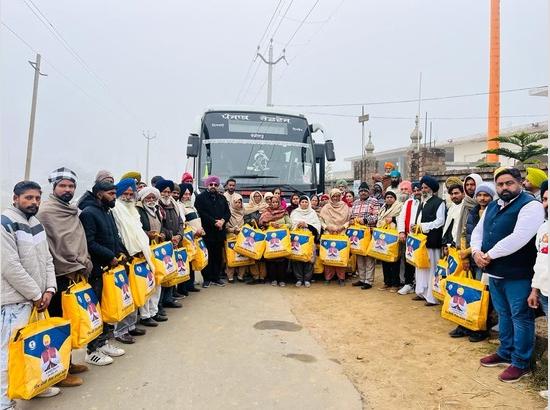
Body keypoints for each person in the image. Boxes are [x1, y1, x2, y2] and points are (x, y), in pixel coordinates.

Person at [472, 167, 544, 383]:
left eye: (509, 183)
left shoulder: (531, 206)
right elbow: (478, 231)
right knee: (503, 314)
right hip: (495, 272)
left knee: (520, 317)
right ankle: (505, 352)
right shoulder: (493, 205)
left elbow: (520, 237)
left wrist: (489, 255)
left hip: (518, 274)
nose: (504, 187)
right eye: (500, 184)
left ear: (520, 183)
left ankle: (521, 362)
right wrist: (476, 252)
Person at [1, 181, 60, 406]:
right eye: (28, 198)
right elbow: (9, 266)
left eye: (37, 198)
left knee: (34, 348)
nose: (33, 202)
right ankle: (5, 402)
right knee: (9, 354)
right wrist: (36, 294)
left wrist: (50, 289)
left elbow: (47, 259)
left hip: (37, 299)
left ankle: (35, 386)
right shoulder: (5, 223)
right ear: (15, 198)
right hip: (14, 302)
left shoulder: (36, 223)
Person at [37, 168, 92, 387]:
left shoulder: (70, 210)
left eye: (71, 186)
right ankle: (59, 372)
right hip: (58, 275)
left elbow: (75, 238)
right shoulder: (46, 212)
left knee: (71, 320)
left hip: (75, 271)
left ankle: (68, 363)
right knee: (57, 324)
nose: (67, 189)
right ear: (54, 187)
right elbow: (48, 247)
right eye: (63, 186)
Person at [80, 180, 127, 365]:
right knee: (97, 309)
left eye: (115, 193)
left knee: (108, 306)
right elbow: (89, 242)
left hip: (110, 268)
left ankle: (103, 342)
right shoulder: (89, 213)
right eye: (111, 193)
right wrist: (109, 256)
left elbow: (115, 236)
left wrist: (121, 252)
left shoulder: (107, 211)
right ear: (99, 194)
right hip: (97, 270)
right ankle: (91, 351)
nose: (114, 196)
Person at [451, 182, 496, 342]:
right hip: (469, 258)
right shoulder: (473, 211)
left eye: (486, 195)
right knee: (467, 290)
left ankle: (480, 328)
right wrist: (464, 256)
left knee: (481, 294)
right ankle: (465, 323)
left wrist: (468, 251)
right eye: (480, 195)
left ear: (492, 197)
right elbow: (464, 233)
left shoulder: (494, 213)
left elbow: (485, 238)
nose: (482, 198)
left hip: (484, 259)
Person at [111, 178, 151, 344]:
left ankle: (130, 326)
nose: (127, 197)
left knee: (135, 291)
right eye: (124, 194)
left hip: (137, 256)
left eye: (130, 193)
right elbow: (118, 235)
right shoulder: (115, 210)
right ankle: (120, 331)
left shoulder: (133, 210)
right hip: (124, 257)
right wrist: (124, 254)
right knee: (124, 296)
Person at [136, 187, 168, 325]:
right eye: (148, 198)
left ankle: (154, 312)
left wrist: (164, 235)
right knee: (147, 284)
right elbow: (137, 230)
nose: (150, 200)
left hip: (156, 250)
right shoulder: (138, 211)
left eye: (153, 198)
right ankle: (145, 315)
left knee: (157, 282)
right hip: (144, 251)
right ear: (142, 199)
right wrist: (147, 234)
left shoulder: (158, 210)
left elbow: (164, 227)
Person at [411, 175, 445, 306]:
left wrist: (423, 226)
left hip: (432, 241)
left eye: (426, 188)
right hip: (421, 241)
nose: (423, 190)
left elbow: (440, 221)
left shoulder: (439, 202)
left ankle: (432, 297)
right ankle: (421, 292)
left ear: (432, 189)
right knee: (420, 266)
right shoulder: (422, 202)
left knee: (431, 268)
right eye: (422, 187)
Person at [527, 180, 548, 398]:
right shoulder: (543, 228)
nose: (547, 204)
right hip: (544, 292)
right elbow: (540, 261)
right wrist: (534, 290)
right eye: (544, 199)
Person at [195, 175, 231, 288]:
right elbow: (201, 212)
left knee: (218, 256)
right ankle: (207, 279)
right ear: (207, 185)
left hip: (219, 232)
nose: (213, 186)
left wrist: (223, 221)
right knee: (207, 255)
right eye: (211, 184)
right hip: (207, 232)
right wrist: (213, 222)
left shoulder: (222, 198)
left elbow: (228, 212)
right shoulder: (201, 198)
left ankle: (216, 277)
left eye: (215, 185)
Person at [156, 179, 184, 307]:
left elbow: (180, 222)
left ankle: (169, 298)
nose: (167, 194)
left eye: (169, 192)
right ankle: (160, 304)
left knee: (172, 271)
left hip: (174, 242)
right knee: (163, 274)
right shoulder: (156, 206)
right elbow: (159, 227)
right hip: (163, 245)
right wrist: (171, 236)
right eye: (164, 191)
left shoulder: (174, 205)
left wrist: (179, 236)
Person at [350, 182, 379, 289]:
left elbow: (377, 216)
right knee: (359, 256)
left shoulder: (374, 201)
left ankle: (369, 281)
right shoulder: (355, 202)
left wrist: (365, 220)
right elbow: (351, 215)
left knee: (368, 257)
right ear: (359, 192)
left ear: (369, 192)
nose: (363, 193)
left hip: (369, 232)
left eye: (365, 191)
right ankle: (362, 279)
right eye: (361, 191)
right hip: (357, 234)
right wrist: (352, 221)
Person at [320, 189, 351, 286]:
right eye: (333, 196)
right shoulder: (326, 207)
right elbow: (321, 221)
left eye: (338, 196)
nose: (336, 198)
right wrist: (327, 227)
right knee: (328, 255)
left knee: (341, 255)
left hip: (341, 233)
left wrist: (342, 227)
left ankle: (341, 278)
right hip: (329, 234)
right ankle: (328, 277)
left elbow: (349, 220)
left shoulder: (345, 207)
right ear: (330, 197)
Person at [259, 196, 291, 286]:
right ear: (270, 203)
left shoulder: (284, 212)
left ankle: (282, 280)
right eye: (273, 202)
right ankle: (273, 279)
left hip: (282, 239)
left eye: (276, 202)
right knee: (271, 260)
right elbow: (261, 223)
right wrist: (270, 224)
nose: (275, 204)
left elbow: (290, 224)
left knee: (282, 260)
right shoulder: (266, 212)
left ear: (279, 203)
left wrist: (281, 226)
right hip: (270, 240)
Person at [290, 196, 321, 287]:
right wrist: (298, 225)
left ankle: (307, 279)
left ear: (308, 203)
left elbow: (317, 228)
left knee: (309, 259)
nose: (304, 204)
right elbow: (291, 226)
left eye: (306, 202)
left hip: (309, 241)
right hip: (297, 240)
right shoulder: (294, 213)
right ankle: (299, 279)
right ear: (299, 203)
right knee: (297, 259)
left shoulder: (312, 213)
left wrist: (306, 225)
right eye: (302, 202)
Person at [397, 181, 421, 295]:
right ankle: (408, 284)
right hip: (409, 236)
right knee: (409, 261)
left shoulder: (425, 202)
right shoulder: (409, 202)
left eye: (418, 190)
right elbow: (401, 218)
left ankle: (419, 285)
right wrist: (401, 232)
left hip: (422, 238)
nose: (417, 192)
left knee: (420, 261)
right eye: (415, 190)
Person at [178, 183, 204, 293]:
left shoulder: (191, 205)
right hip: (186, 238)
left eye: (189, 194)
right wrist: (194, 232)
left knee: (192, 260)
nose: (187, 196)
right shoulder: (180, 206)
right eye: (185, 194)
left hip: (195, 238)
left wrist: (201, 229)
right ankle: (183, 288)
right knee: (186, 262)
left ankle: (190, 285)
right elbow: (184, 224)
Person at [377, 191, 403, 290]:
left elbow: (402, 218)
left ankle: (395, 284)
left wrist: (393, 218)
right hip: (383, 234)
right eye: (387, 197)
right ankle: (387, 282)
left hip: (394, 234)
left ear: (395, 198)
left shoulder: (399, 206)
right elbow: (379, 218)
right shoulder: (383, 207)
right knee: (384, 259)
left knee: (394, 260)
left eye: (391, 197)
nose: (389, 199)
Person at [225, 194, 245, 283]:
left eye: (239, 202)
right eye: (235, 202)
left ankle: (241, 275)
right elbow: (225, 227)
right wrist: (233, 230)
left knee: (242, 256)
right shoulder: (228, 213)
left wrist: (242, 229)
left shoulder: (244, 212)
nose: (238, 204)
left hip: (241, 236)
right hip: (231, 237)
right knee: (231, 256)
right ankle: (230, 276)